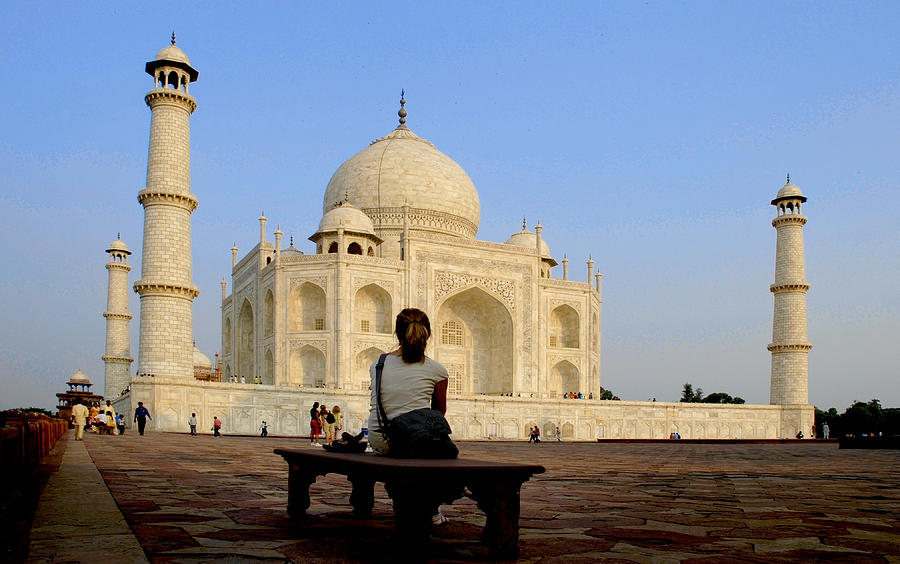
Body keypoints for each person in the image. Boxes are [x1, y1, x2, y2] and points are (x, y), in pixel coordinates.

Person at [367, 308, 451, 526]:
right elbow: (439, 413)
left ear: (397, 334)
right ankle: (432, 510)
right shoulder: (437, 370)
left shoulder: (378, 364)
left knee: (422, 448)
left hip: (379, 440)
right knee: (438, 447)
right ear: (428, 334)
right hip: (412, 443)